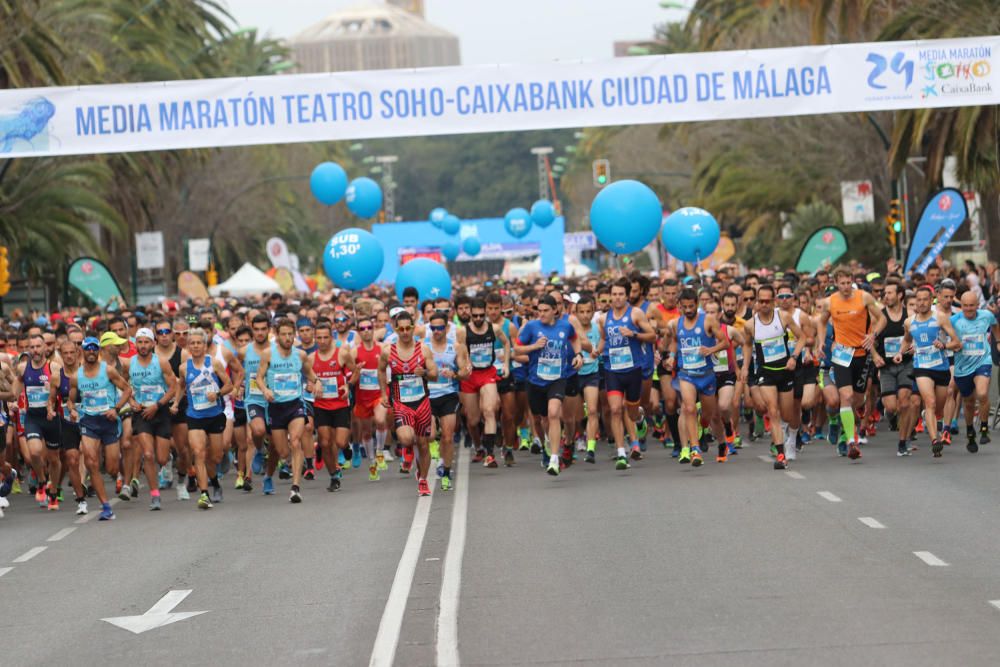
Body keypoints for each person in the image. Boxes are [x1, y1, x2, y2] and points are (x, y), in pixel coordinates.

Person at [817, 268, 885, 460]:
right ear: (836, 283)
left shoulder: (864, 297)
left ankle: (850, 419)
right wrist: (822, 341)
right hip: (842, 354)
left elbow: (882, 319)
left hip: (862, 354)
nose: (846, 287)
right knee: (845, 396)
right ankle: (851, 440)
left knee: (858, 399)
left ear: (852, 282)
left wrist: (873, 335)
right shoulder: (831, 301)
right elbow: (821, 323)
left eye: (848, 283)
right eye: (842, 283)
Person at [514, 294, 583, 476]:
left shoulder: (565, 326)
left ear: (555, 310)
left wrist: (578, 355)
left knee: (554, 413)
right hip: (535, 380)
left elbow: (575, 339)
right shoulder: (531, 327)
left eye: (546, 311)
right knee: (541, 419)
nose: (542, 314)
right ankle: (547, 442)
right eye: (540, 310)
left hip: (558, 378)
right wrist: (534, 346)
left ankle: (554, 458)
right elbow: (517, 349)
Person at [69, 336, 133, 521]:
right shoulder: (76, 377)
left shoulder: (108, 371)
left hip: (109, 421)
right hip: (89, 422)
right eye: (87, 348)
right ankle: (106, 506)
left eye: (94, 348)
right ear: (82, 351)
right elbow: (71, 400)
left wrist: (116, 409)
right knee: (91, 462)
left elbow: (127, 390)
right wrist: (72, 410)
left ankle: (118, 473)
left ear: (98, 351)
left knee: (112, 468)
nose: (91, 351)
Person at [742, 285, 806, 470]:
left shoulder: (783, 317)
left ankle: (787, 436)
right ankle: (780, 454)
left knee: (787, 414)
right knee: (773, 410)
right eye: (760, 301)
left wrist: (794, 356)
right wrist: (746, 367)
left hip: (785, 371)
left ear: (773, 301)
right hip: (765, 372)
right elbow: (747, 345)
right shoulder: (750, 324)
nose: (764, 304)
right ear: (756, 302)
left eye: (767, 301)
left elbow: (802, 337)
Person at [257, 318, 319, 504]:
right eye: (283, 334)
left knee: (296, 441)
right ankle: (275, 468)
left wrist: (316, 383)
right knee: (283, 452)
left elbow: (311, 374)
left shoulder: (300, 355)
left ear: (294, 335)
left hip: (295, 404)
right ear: (277, 336)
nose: (287, 337)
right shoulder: (268, 354)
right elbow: (259, 377)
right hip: (276, 407)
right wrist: (265, 389)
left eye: (290, 334)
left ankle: (295, 488)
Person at [598, 278, 657, 467]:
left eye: (621, 294)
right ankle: (621, 452)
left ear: (627, 295)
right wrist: (596, 351)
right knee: (615, 409)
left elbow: (652, 336)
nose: (617, 298)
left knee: (631, 412)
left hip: (633, 369)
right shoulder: (603, 318)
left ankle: (639, 419)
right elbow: (603, 340)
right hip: (612, 369)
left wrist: (634, 334)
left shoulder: (636, 314)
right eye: (614, 294)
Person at [378, 310, 439, 496]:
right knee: (406, 438)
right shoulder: (388, 351)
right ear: (396, 329)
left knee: (423, 443)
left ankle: (422, 479)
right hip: (401, 403)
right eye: (401, 329)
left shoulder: (423, 349)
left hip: (421, 402)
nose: (405, 332)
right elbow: (381, 371)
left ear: (413, 328)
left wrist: (426, 374)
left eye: (408, 328)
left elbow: (435, 374)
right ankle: (407, 452)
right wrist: (383, 393)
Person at [898, 286, 961, 457]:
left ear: (931, 299)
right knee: (930, 402)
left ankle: (929, 417)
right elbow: (906, 340)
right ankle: (935, 440)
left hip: (941, 367)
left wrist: (945, 345)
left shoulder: (940, 318)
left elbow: (957, 342)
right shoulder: (909, 322)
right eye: (918, 300)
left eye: (925, 299)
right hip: (922, 367)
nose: (922, 303)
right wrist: (900, 352)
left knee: (938, 408)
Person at [667, 288, 728, 466]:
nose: (688, 310)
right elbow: (674, 342)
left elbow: (724, 341)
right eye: (684, 307)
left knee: (707, 415)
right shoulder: (676, 324)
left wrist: (710, 350)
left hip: (707, 375)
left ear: (697, 304)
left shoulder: (708, 320)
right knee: (689, 408)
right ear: (680, 306)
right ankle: (695, 449)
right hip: (686, 375)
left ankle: (702, 426)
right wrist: (671, 357)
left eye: (691, 306)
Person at [178, 327, 234, 509]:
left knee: (215, 457)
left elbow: (229, 385)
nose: (195, 346)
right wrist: (175, 403)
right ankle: (204, 494)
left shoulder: (214, 363)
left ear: (205, 345)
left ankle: (215, 483)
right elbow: (180, 386)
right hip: (194, 416)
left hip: (215, 415)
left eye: (199, 343)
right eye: (192, 343)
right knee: (199, 453)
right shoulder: (183, 368)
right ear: (188, 346)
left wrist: (217, 393)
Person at [125, 328, 180, 510]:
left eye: (146, 342)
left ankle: (168, 458)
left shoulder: (162, 362)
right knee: (148, 454)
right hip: (141, 413)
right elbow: (124, 386)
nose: (142, 346)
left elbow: (173, 387)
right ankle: (155, 495)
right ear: (136, 344)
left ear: (153, 343)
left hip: (160, 412)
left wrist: (157, 405)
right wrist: (131, 401)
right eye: (139, 342)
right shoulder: (130, 364)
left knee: (162, 459)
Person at [458, 297, 510, 468]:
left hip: (488, 373)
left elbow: (507, 343)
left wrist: (506, 364)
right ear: (471, 315)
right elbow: (461, 352)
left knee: (489, 411)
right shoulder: (463, 331)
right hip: (471, 377)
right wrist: (464, 364)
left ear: (485, 313)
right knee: (472, 420)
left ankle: (490, 454)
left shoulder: (494, 329)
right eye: (475, 316)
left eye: (481, 315)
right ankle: (478, 446)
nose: (479, 319)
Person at [13, 334, 63, 509]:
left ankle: (54, 492)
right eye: (31, 347)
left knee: (54, 459)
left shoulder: (54, 367)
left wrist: (53, 399)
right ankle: (42, 480)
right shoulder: (22, 368)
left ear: (44, 348)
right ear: (28, 349)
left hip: (51, 418)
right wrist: (13, 400)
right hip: (33, 417)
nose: (35, 350)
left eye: (38, 346)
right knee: (34, 453)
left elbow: (62, 391)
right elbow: (16, 387)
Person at [425, 310, 470, 489]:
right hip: (427, 395)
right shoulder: (423, 346)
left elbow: (465, 374)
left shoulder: (456, 346)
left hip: (448, 395)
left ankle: (446, 471)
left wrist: (456, 374)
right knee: (429, 435)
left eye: (440, 328)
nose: (436, 331)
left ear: (446, 327)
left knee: (448, 437)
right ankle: (434, 449)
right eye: (433, 328)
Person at [950, 290, 1000, 451]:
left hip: (982, 361)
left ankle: (984, 428)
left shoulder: (986, 315)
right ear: (961, 306)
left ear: (977, 305)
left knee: (982, 393)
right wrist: (953, 345)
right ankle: (970, 431)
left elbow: (995, 326)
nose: (969, 309)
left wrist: (998, 341)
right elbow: (945, 339)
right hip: (963, 365)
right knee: (969, 402)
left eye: (972, 306)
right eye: (965, 306)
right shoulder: (954, 320)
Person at [310, 320, 356, 487]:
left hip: (340, 405)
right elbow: (308, 382)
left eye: (325, 337)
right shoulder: (310, 358)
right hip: (321, 406)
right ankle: (334, 475)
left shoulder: (342, 354)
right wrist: (312, 386)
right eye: (319, 338)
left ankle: (346, 447)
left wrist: (348, 385)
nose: (322, 341)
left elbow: (355, 372)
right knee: (324, 442)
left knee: (340, 442)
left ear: (331, 338)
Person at [873, 280, 915, 456]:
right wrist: (875, 356)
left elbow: (918, 334)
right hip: (886, 366)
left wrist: (914, 346)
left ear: (900, 295)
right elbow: (870, 340)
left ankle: (903, 442)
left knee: (905, 402)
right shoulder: (880, 316)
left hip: (906, 364)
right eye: (884, 293)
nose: (885, 296)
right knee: (891, 406)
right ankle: (892, 417)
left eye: (889, 293)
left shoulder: (909, 315)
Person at [237, 313, 272, 493]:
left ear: (269, 329)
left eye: (263, 329)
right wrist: (238, 386)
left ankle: (268, 479)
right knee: (257, 431)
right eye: (256, 329)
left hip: (273, 400)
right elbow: (238, 371)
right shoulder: (244, 351)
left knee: (276, 445)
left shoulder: (276, 349)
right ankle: (259, 450)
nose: (259, 333)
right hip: (254, 399)